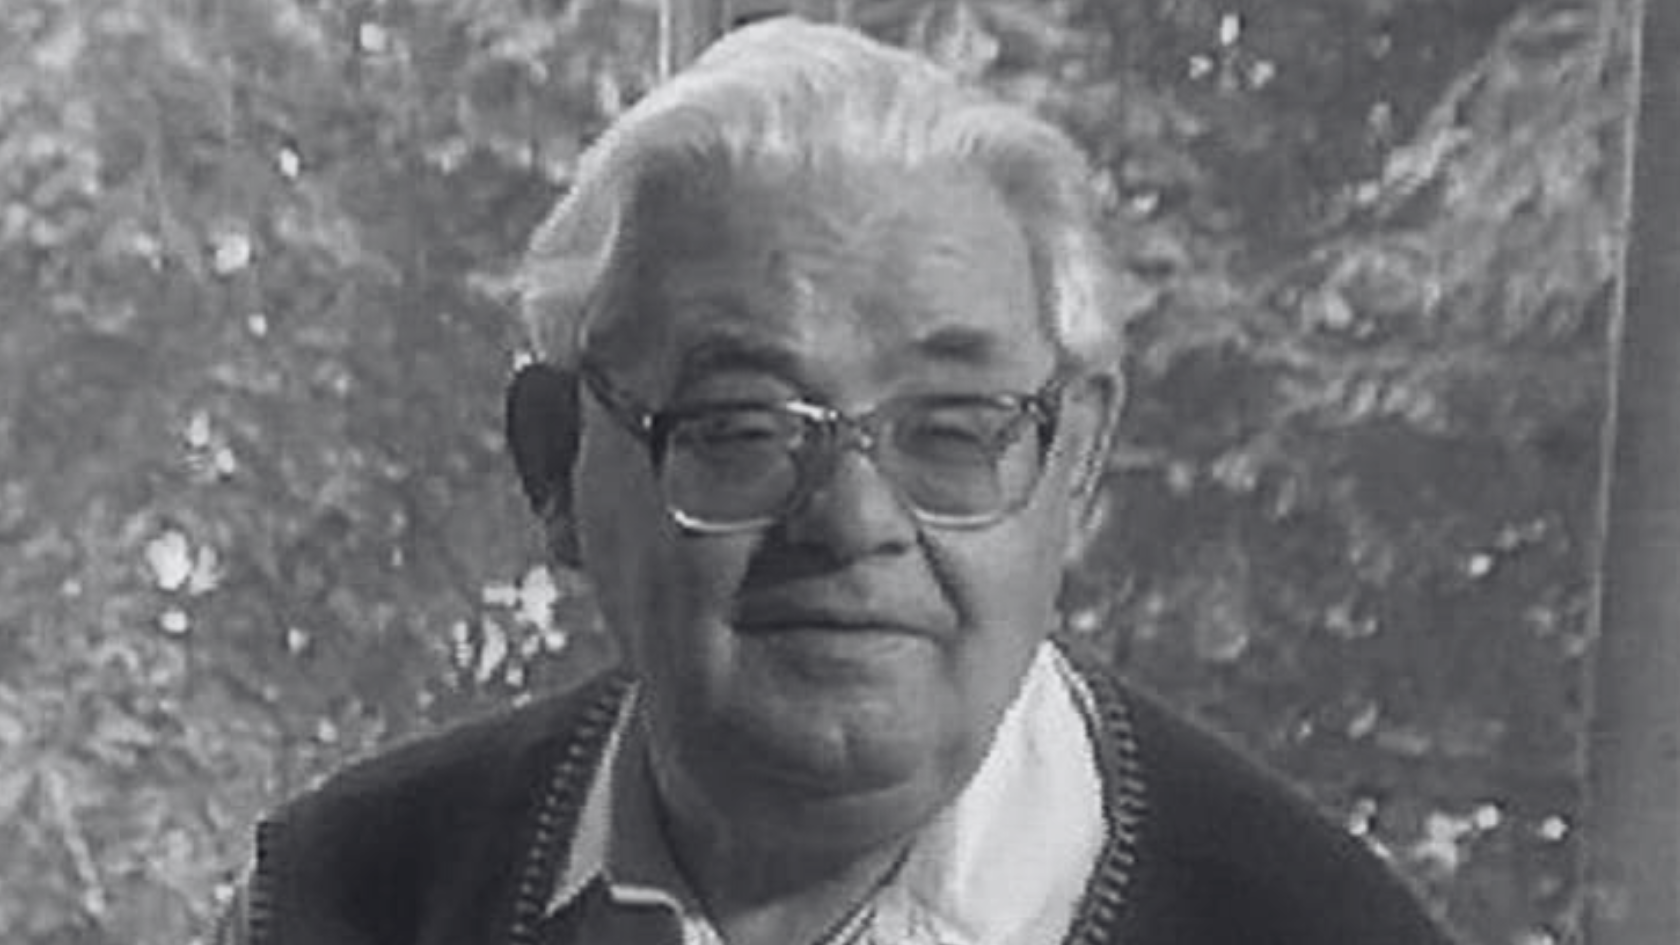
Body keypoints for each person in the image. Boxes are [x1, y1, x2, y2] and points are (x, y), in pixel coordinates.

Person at [219, 18, 1459, 945]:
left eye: (954, 430)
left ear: (1076, 460)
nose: (854, 521)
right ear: (556, 464)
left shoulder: (1323, 928)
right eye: (744, 426)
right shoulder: (342, 899)